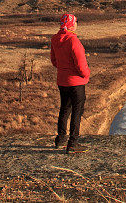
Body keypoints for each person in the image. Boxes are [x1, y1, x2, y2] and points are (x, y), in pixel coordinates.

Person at [50, 13, 90, 153]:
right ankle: (73, 143)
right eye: (76, 22)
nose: (77, 24)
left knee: (64, 109)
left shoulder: (55, 39)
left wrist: (64, 70)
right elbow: (81, 64)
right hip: (76, 82)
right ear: (72, 24)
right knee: (77, 112)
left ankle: (60, 139)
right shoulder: (73, 40)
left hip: (62, 81)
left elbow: (54, 61)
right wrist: (86, 75)